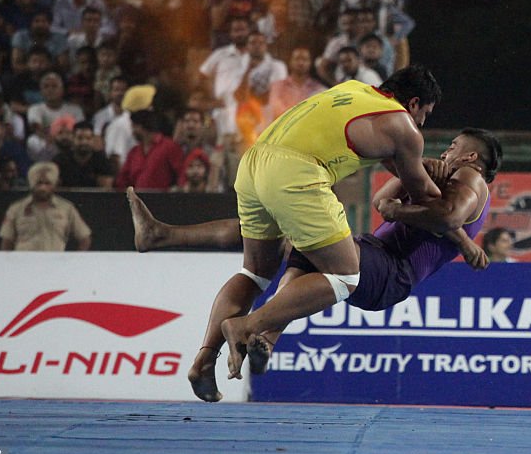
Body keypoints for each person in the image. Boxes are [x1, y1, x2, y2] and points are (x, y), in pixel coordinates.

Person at [128, 127, 499, 399]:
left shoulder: (472, 178)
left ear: (471, 157)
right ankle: (263, 338)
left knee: (295, 250)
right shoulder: (435, 180)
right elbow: (382, 201)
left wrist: (409, 214)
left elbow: (449, 215)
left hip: (392, 273)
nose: (447, 151)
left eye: (454, 147)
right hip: (373, 252)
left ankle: (247, 324)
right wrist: (408, 180)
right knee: (298, 248)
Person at [184, 66, 442, 395]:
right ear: (415, 103)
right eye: (426, 115)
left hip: (253, 165)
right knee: (346, 276)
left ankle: (204, 362)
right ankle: (248, 326)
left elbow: (397, 164)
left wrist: (420, 162)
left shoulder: (355, 91)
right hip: (295, 173)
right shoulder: (404, 125)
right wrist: (457, 218)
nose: (422, 123)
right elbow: (423, 192)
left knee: (256, 272)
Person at [0, 161, 92, 252]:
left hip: (55, 264)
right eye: (39, 183)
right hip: (24, 264)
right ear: (31, 185)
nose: (42, 188)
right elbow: (7, 242)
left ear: (54, 185)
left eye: (47, 183)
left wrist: (75, 261)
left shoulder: (67, 208)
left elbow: (84, 238)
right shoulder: (16, 208)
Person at [115, 108, 183, 191]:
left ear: (141, 126)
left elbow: (181, 173)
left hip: (163, 200)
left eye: (134, 126)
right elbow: (123, 180)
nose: (132, 131)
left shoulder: (169, 146)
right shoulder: (134, 152)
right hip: (138, 201)